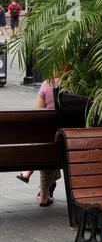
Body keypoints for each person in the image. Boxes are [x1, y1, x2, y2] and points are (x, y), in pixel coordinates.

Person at [17, 77, 61, 206]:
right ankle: (44, 194)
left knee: (45, 148)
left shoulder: (47, 84)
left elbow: (39, 113)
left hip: (47, 140)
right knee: (51, 153)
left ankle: (30, 175)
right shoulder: (76, 83)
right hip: (68, 139)